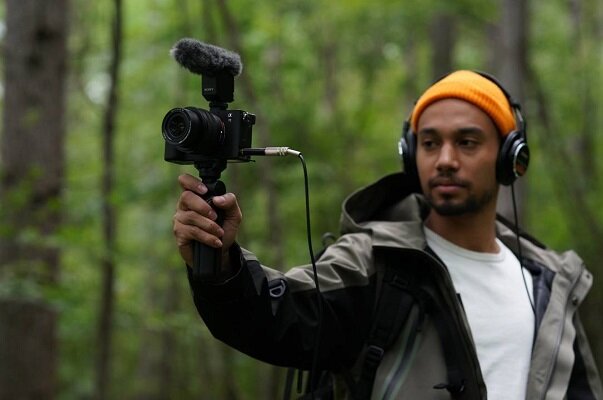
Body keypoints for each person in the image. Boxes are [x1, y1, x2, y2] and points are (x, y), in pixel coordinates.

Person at [172, 70, 603, 399]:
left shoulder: (552, 284)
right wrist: (222, 266)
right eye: (430, 143)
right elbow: (274, 317)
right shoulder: (374, 260)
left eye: (467, 142)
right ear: (412, 155)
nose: (445, 159)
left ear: (511, 158)